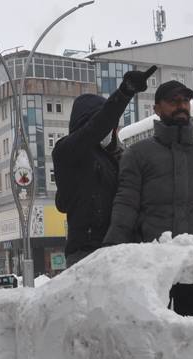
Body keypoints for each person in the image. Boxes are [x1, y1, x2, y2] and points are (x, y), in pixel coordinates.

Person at [104, 79, 193, 316]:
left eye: (185, 100)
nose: (181, 106)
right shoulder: (138, 154)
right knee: (151, 329)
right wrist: (113, 249)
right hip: (151, 261)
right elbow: (126, 204)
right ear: (156, 108)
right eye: (173, 101)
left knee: (192, 331)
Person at [54, 66, 157, 267]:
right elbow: (96, 128)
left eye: (114, 125)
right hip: (86, 254)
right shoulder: (68, 151)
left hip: (121, 250)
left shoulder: (121, 159)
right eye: (108, 124)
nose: (112, 130)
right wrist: (125, 92)